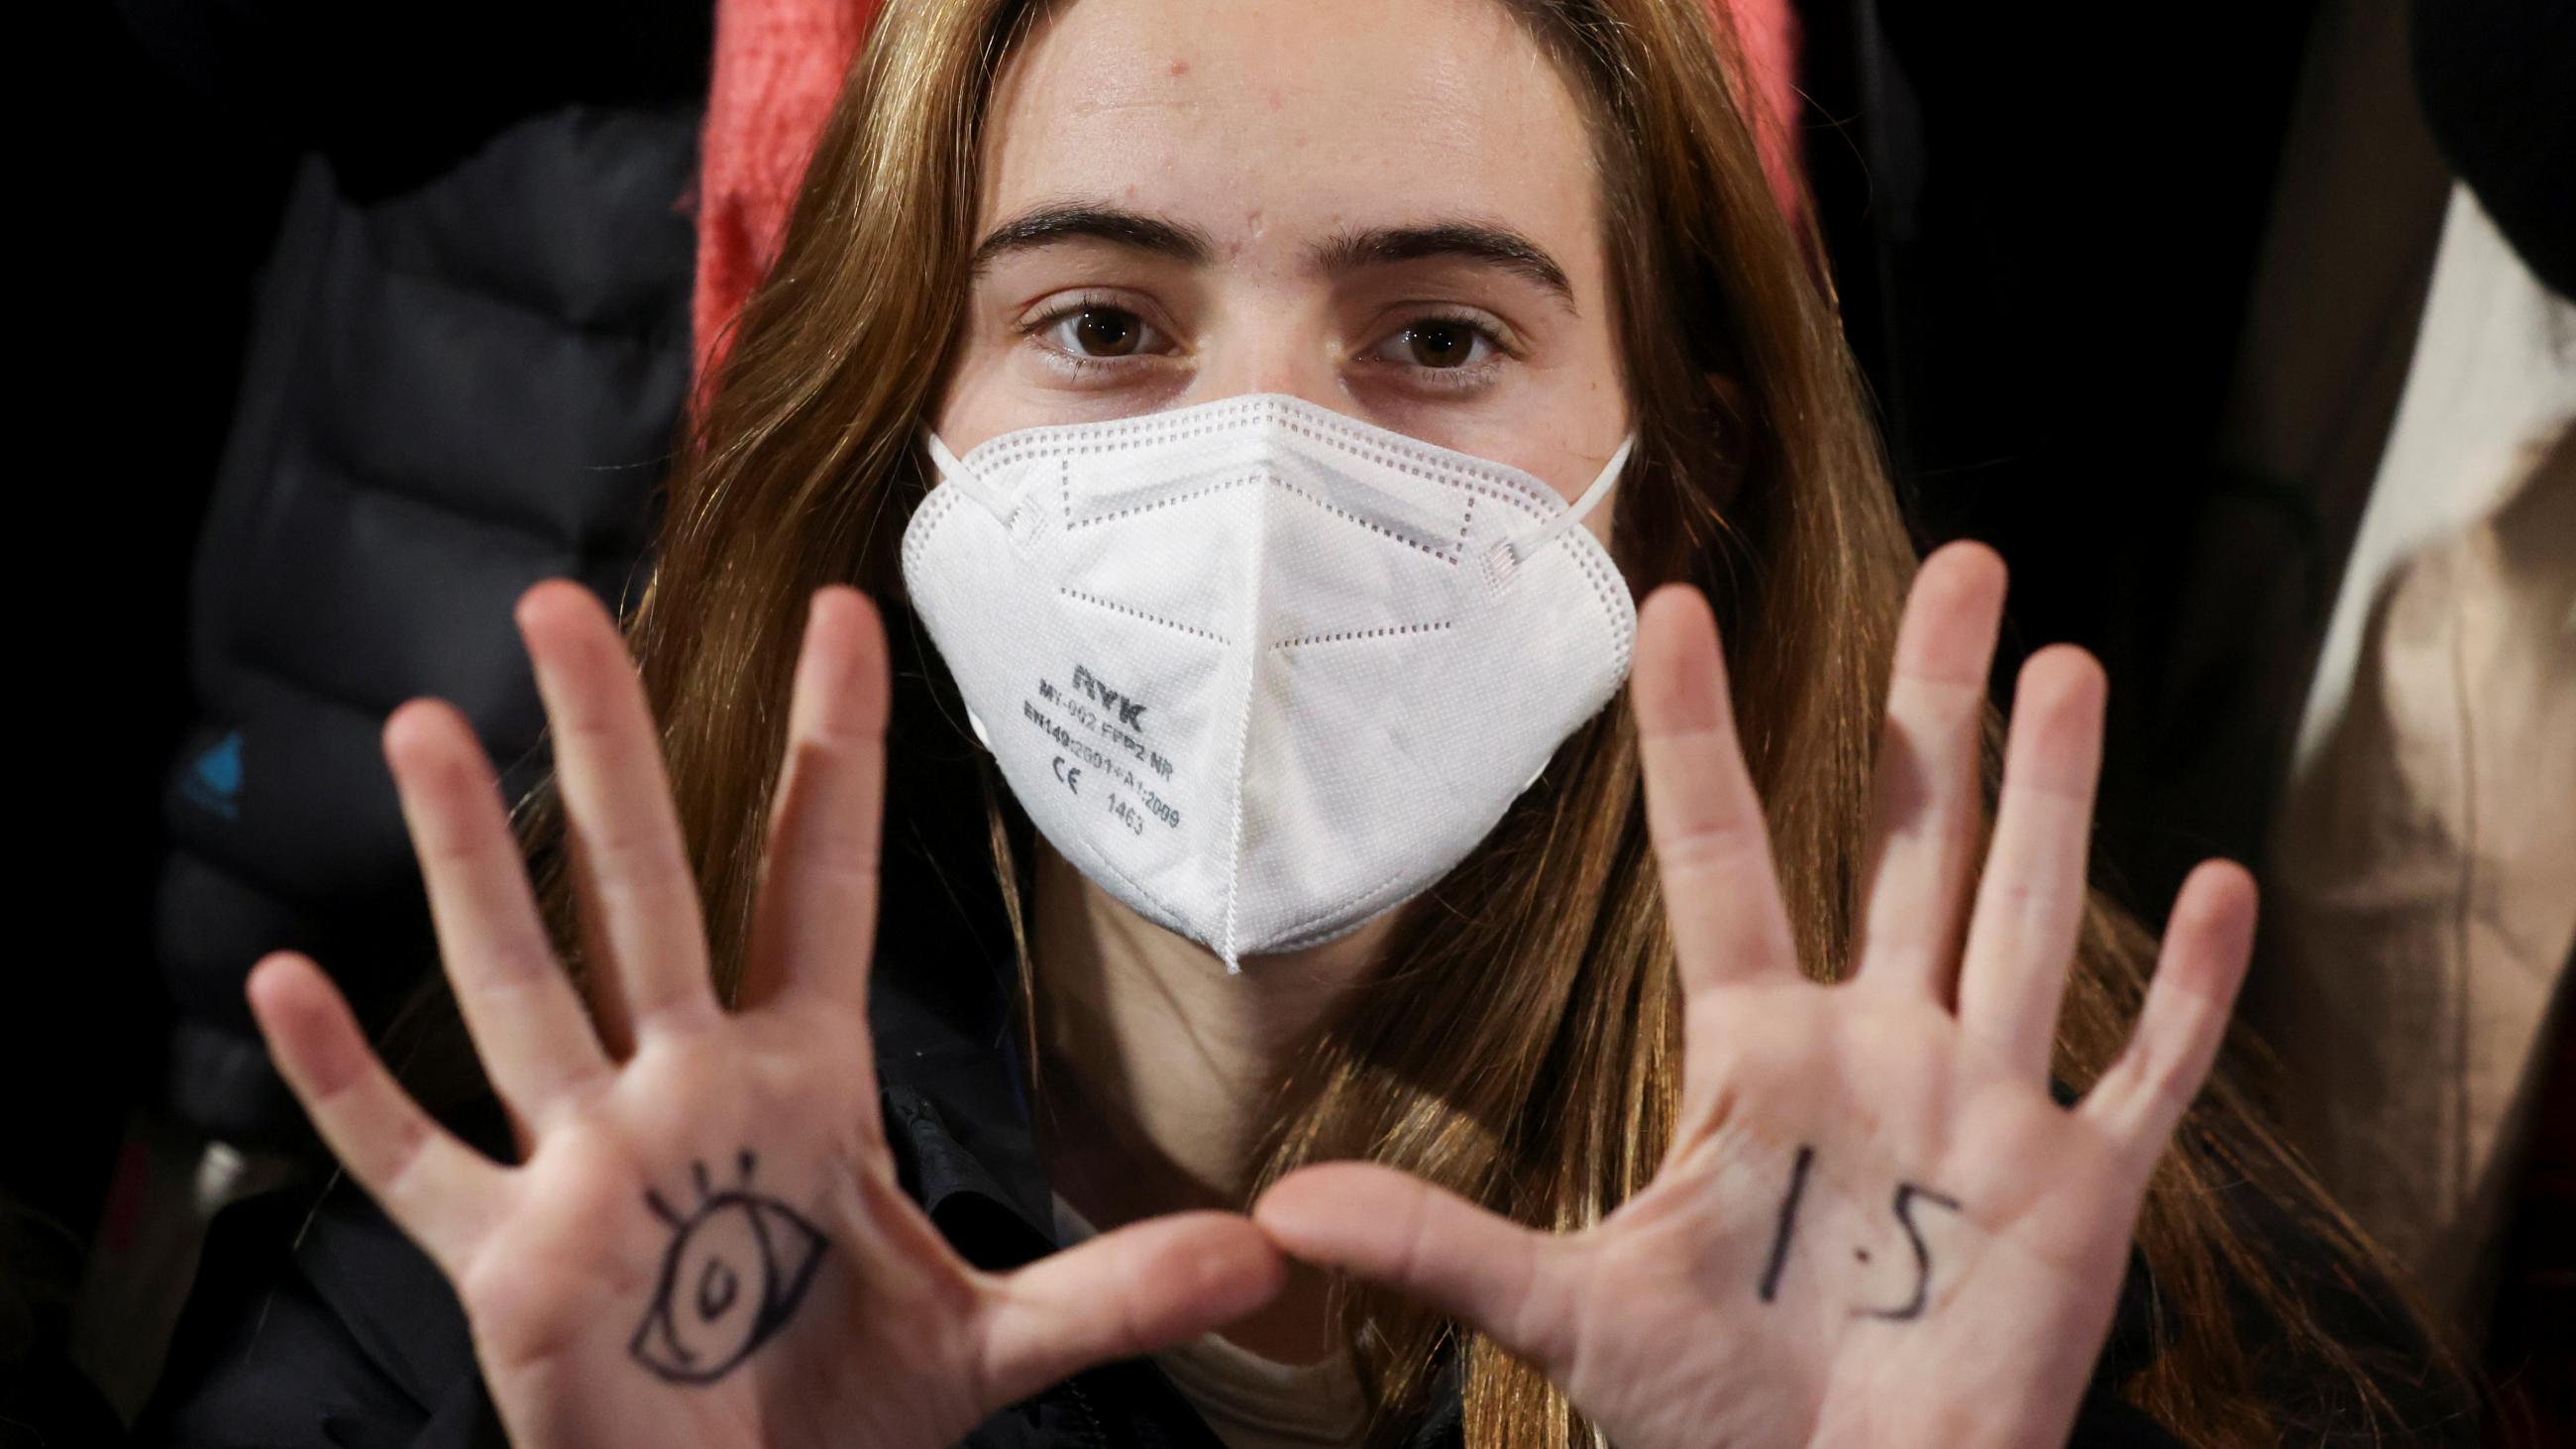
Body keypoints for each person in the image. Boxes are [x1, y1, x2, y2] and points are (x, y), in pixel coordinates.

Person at [139, 0, 2471, 1445]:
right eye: (1101, 323)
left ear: (1689, 471)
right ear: (900, 430)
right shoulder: (537, 1293)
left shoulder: (2061, 1294)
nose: (1257, 466)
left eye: (1438, 336)